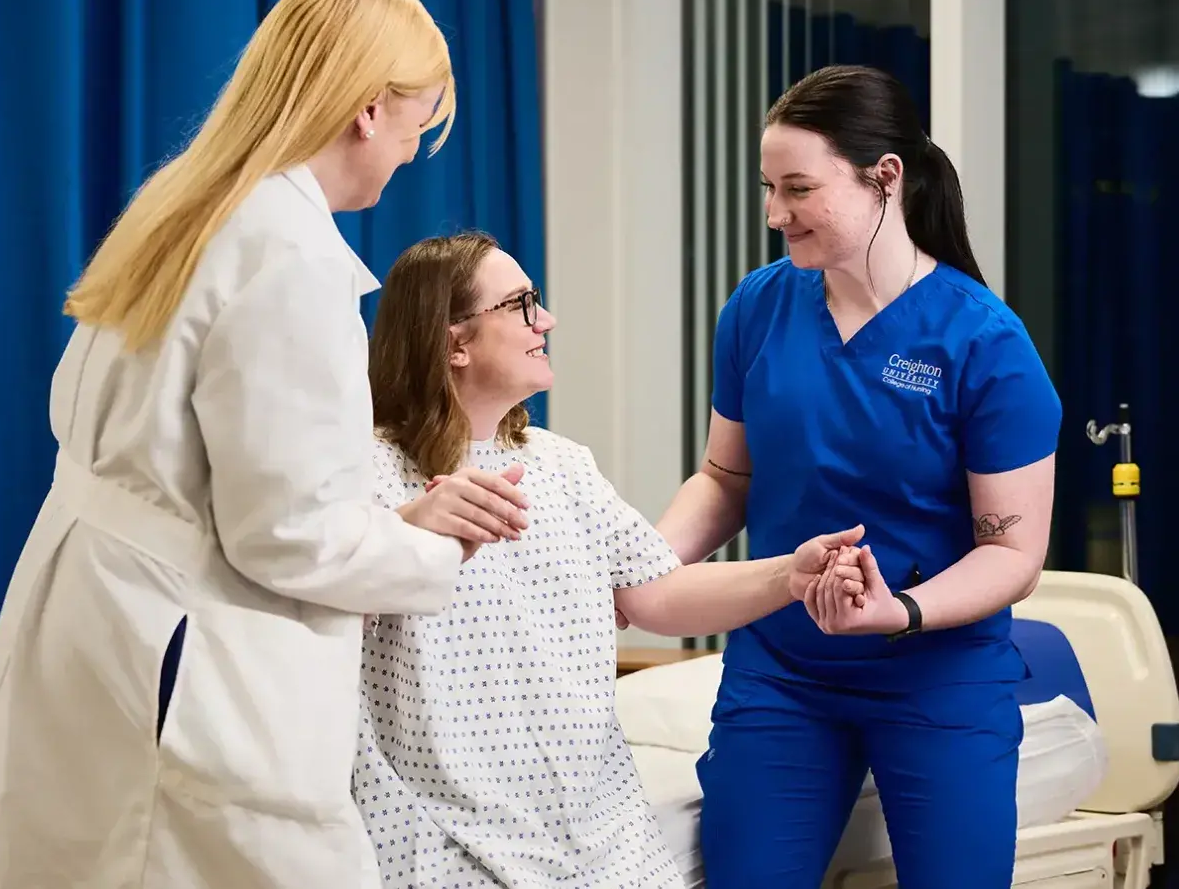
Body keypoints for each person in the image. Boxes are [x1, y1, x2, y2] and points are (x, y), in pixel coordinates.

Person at [0, 0, 529, 889]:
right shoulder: (290, 258)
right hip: (184, 649)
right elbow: (284, 536)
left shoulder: (184, 210)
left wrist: (379, 528)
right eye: (417, 125)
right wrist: (432, 551)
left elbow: (188, 469)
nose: (414, 153)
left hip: (97, 614)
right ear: (369, 108)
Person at [353, 231, 868, 888]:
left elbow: (656, 595)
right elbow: (320, 614)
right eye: (521, 304)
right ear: (455, 342)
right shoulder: (366, 471)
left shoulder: (561, 466)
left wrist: (789, 575)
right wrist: (408, 531)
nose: (547, 319)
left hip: (598, 828)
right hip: (444, 832)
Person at [656, 63, 1062, 889]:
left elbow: (1012, 557)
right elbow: (724, 477)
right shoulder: (758, 308)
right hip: (783, 672)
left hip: (937, 677)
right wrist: (637, 564)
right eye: (770, 188)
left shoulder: (985, 344)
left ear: (885, 179)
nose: (775, 213)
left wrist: (898, 612)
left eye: (799, 188)